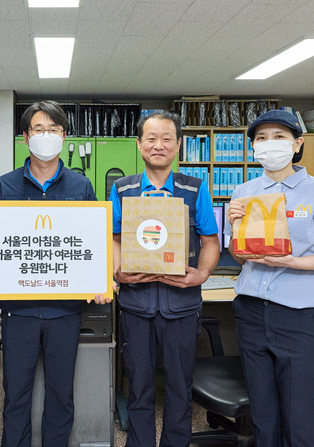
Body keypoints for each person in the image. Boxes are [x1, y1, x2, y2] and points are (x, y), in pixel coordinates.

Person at [224, 110, 314, 446]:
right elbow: (239, 256)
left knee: (302, 421)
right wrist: (233, 227)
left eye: (279, 137)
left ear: (297, 144)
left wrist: (294, 262)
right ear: (253, 147)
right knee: (263, 418)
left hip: (301, 318)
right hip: (252, 312)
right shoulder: (244, 191)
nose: (269, 144)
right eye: (261, 138)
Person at [0, 100, 109, 447]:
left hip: (64, 310)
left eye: (53, 129)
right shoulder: (6, 186)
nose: (46, 135)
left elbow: (93, 241)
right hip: (18, 311)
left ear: (64, 136)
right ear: (26, 137)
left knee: (60, 394)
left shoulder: (81, 186)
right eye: (38, 129)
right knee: (16, 394)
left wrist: (99, 280)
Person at [109, 113, 220, 446]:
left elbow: (210, 241)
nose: (159, 145)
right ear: (139, 144)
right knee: (139, 386)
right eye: (151, 138)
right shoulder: (123, 189)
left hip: (181, 305)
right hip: (136, 304)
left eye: (167, 138)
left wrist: (202, 274)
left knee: (179, 387)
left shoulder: (194, 189)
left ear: (178, 145)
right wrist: (117, 270)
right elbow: (113, 237)